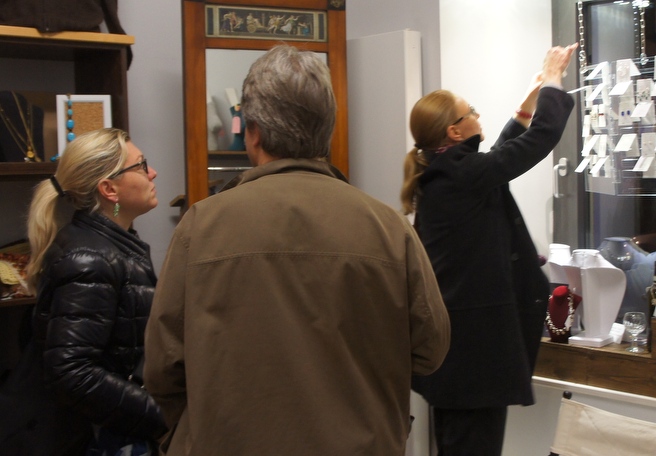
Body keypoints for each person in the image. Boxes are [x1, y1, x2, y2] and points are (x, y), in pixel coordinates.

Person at [144, 44, 451, 456]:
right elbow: (430, 350)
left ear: (253, 131)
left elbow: (163, 368)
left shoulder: (200, 226)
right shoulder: (388, 228)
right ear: (328, 129)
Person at [401, 44, 577, 456]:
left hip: (462, 355)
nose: (478, 116)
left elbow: (497, 158)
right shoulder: (461, 175)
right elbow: (540, 140)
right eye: (472, 112)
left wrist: (525, 106)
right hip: (473, 358)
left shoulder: (449, 172)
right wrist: (553, 80)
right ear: (454, 132)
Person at [0, 128, 166, 455]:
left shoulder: (108, 246)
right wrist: (161, 416)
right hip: (92, 439)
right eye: (141, 165)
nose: (153, 173)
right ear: (109, 189)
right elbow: (73, 374)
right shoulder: (90, 259)